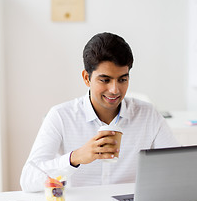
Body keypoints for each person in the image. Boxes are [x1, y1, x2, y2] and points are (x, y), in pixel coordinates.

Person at [20, 32, 179, 192]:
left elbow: (178, 165)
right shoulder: (61, 116)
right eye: (105, 80)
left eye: (122, 79)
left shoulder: (147, 114)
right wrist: (75, 157)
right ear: (86, 78)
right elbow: (28, 180)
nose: (115, 90)